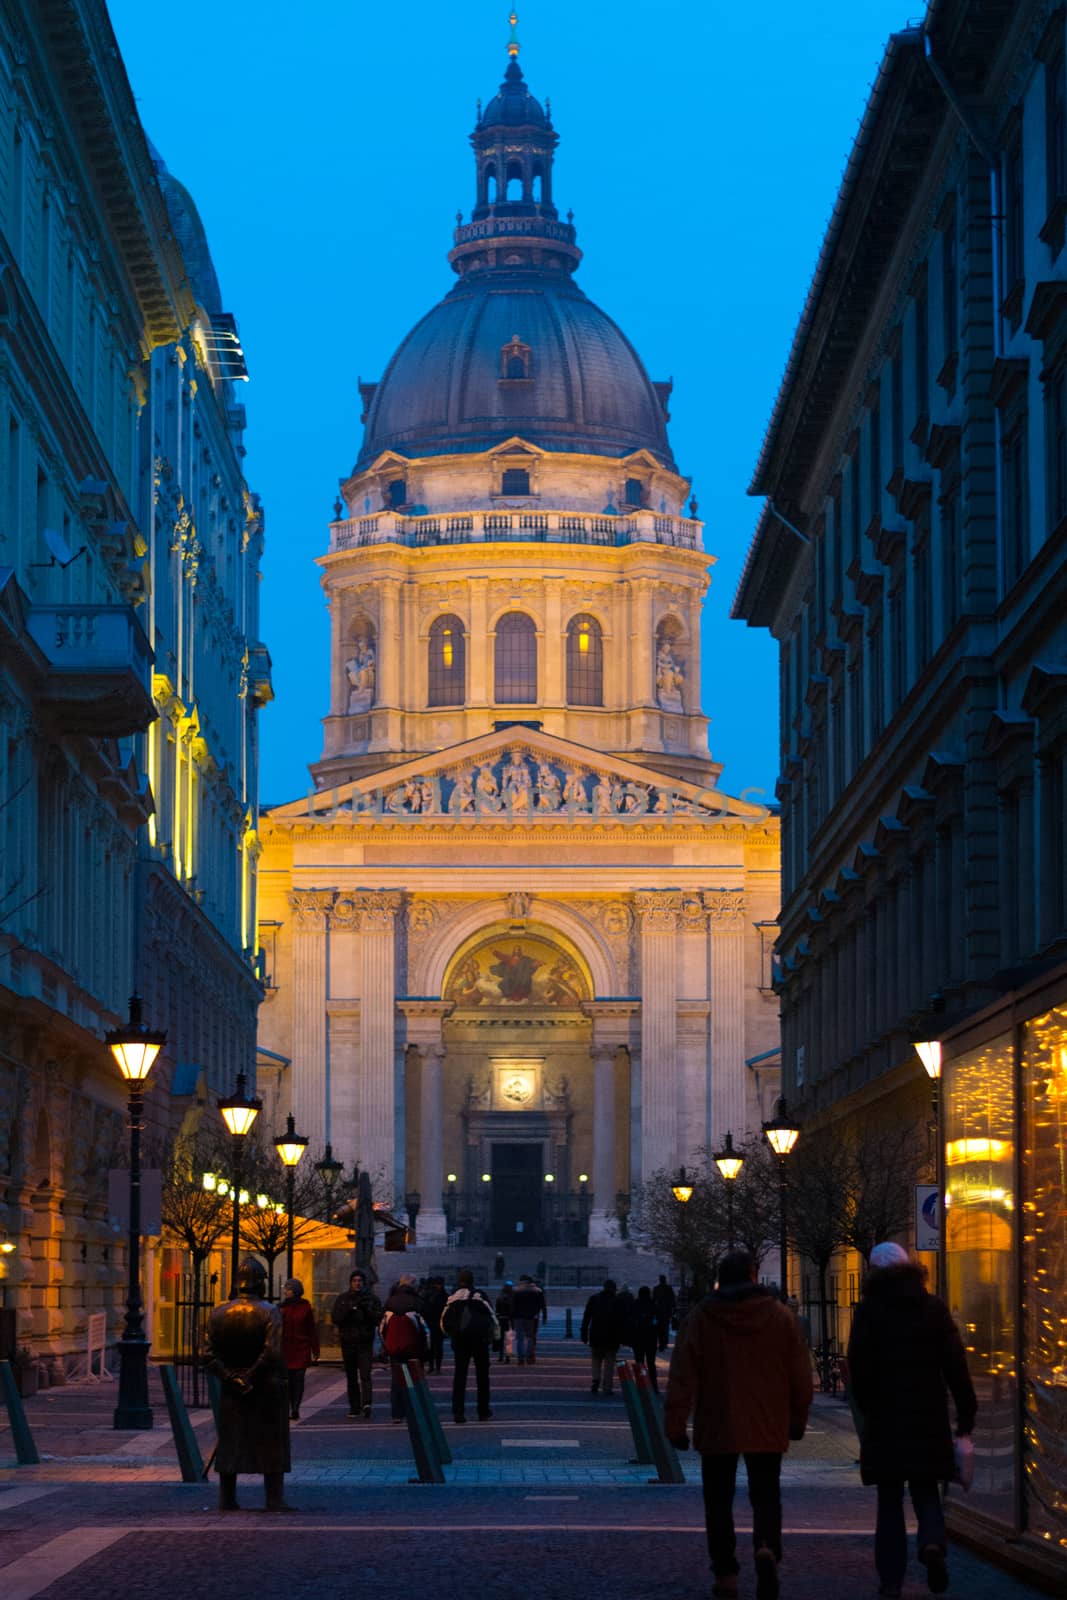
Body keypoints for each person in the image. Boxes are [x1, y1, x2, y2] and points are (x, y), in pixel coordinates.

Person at [664, 1250, 813, 1600]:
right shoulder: (779, 1317)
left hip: (718, 1418)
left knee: (718, 1500)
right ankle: (765, 1547)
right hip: (768, 1420)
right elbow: (800, 1375)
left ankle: (726, 1572)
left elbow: (682, 1374)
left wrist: (675, 1424)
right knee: (766, 1495)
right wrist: (797, 1419)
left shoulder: (702, 1317)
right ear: (753, 1275)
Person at [847, 1241, 977, 1600]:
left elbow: (858, 1366)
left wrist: (869, 1406)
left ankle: (891, 1581)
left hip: (886, 1419)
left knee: (889, 1503)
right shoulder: (932, 1308)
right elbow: (955, 1365)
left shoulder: (869, 1311)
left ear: (874, 1271)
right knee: (926, 1491)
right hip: (927, 1417)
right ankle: (932, 1543)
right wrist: (966, 1413)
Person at [204, 1256, 292, 1513]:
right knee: (272, 1442)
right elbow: (272, 1352)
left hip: (232, 1389)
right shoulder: (270, 1311)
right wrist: (251, 1375)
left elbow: (207, 1353)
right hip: (266, 1386)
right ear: (260, 1283)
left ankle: (227, 1498)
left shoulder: (218, 1313)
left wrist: (232, 1377)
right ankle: (274, 1499)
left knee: (231, 1441)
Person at [442, 1266, 498, 1422]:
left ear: (459, 1281)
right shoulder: (480, 1296)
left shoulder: (453, 1298)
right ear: (473, 1281)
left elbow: (443, 1322)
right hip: (479, 1341)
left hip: (460, 1341)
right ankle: (483, 1411)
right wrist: (494, 1338)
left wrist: (451, 1334)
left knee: (459, 1376)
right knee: (482, 1376)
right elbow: (493, 1318)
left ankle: (458, 1412)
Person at [380, 1273, 430, 1423]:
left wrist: (386, 1345)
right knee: (416, 1380)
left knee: (396, 1381)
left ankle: (397, 1413)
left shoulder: (390, 1301)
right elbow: (424, 1329)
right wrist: (426, 1349)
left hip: (395, 1347)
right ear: (412, 1285)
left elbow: (382, 1327)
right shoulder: (417, 1301)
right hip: (414, 1348)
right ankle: (416, 1410)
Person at [331, 1268, 381, 1419]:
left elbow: (377, 1319)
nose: (357, 1284)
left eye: (360, 1281)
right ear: (350, 1283)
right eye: (355, 1281)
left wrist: (366, 1310)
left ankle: (366, 1404)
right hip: (348, 1342)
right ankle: (354, 1407)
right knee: (351, 1376)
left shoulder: (371, 1299)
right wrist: (348, 1311)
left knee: (365, 1375)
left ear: (364, 1283)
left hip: (364, 1342)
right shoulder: (343, 1299)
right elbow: (336, 1318)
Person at [280, 1277, 319, 1421]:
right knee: (288, 1380)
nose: (285, 1291)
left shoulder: (305, 1307)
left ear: (295, 1291)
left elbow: (311, 1329)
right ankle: (290, 1406)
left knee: (299, 1379)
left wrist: (315, 1349)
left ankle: (295, 1407)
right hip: (286, 1348)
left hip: (301, 1347)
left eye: (288, 1289)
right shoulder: (281, 1308)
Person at [580, 1278, 628, 1395]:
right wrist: (624, 1337)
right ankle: (607, 1387)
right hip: (612, 1336)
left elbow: (587, 1317)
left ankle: (596, 1378)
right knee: (609, 1362)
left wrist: (584, 1332)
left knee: (596, 1359)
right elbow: (622, 1321)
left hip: (596, 1334)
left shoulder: (594, 1299)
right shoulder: (618, 1301)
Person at [628, 1284, 660, 1392]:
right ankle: (654, 1386)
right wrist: (662, 1340)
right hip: (651, 1338)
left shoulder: (635, 1305)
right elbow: (659, 1324)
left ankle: (641, 1385)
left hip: (638, 1339)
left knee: (639, 1362)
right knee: (651, 1363)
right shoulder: (653, 1305)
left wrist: (629, 1339)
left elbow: (630, 1323)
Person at [510, 1273, 547, 1365]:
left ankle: (520, 1358)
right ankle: (528, 1356)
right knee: (530, 1337)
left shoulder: (516, 1290)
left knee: (519, 1338)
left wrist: (511, 1318)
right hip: (531, 1317)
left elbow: (512, 1306)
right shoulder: (537, 1290)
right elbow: (543, 1305)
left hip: (518, 1317)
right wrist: (544, 1316)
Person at [419, 1275, 448, 1374]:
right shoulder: (440, 1295)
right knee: (434, 1347)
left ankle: (435, 1367)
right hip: (434, 1323)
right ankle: (433, 1367)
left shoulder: (432, 1294)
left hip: (435, 1323)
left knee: (435, 1347)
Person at [652, 1273, 677, 1351]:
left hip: (659, 1312)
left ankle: (661, 1343)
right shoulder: (668, 1288)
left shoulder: (656, 1289)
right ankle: (664, 1343)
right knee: (665, 1328)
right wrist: (674, 1309)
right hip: (667, 1311)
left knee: (659, 1328)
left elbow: (653, 1300)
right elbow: (673, 1300)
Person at [495, 1280, 514, 1363]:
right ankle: (508, 1357)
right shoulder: (512, 1298)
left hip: (501, 1319)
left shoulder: (500, 1297)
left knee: (501, 1339)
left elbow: (497, 1310)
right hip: (509, 1319)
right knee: (509, 1339)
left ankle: (501, 1356)